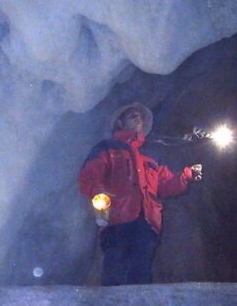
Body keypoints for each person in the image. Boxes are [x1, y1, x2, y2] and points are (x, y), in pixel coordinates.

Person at [78, 102, 202, 286]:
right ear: (119, 123)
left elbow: (166, 184)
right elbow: (89, 175)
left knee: (141, 273)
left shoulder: (150, 156)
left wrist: (187, 175)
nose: (138, 119)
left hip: (146, 223)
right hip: (116, 221)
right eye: (132, 115)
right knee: (115, 271)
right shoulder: (106, 149)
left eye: (140, 116)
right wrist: (99, 193)